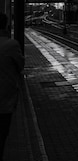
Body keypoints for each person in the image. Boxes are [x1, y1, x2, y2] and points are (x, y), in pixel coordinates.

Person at [1, 12, 25, 161]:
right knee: (2, 136)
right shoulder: (11, 45)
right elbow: (20, 65)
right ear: (6, 25)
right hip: (5, 100)